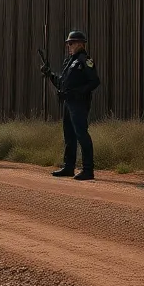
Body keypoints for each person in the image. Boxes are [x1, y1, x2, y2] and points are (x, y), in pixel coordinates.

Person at [41, 31, 101, 181]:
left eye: (71, 43)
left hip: (79, 103)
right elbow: (62, 83)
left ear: (81, 44)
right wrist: (49, 74)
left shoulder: (85, 60)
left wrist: (78, 93)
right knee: (69, 134)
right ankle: (69, 167)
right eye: (68, 43)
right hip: (68, 103)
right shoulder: (70, 62)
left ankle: (88, 169)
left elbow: (94, 81)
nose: (69, 46)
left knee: (81, 133)